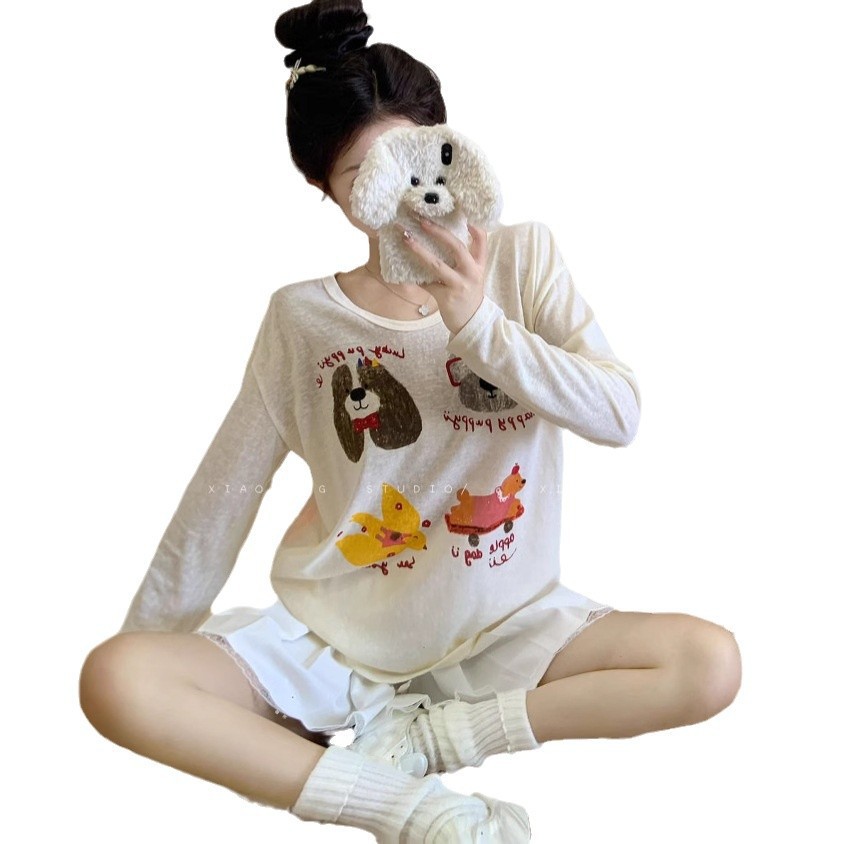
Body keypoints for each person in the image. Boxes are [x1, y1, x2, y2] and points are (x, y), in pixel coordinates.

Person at [78, 1, 742, 841]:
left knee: (708, 664)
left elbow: (619, 414)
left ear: (448, 147)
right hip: (333, 642)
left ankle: (434, 740)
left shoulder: (524, 259)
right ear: (324, 189)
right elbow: (224, 494)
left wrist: (479, 324)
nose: (400, 195)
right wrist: (165, 657)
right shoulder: (302, 318)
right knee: (115, 678)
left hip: (507, 629)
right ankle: (414, 813)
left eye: (413, 158)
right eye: (363, 176)